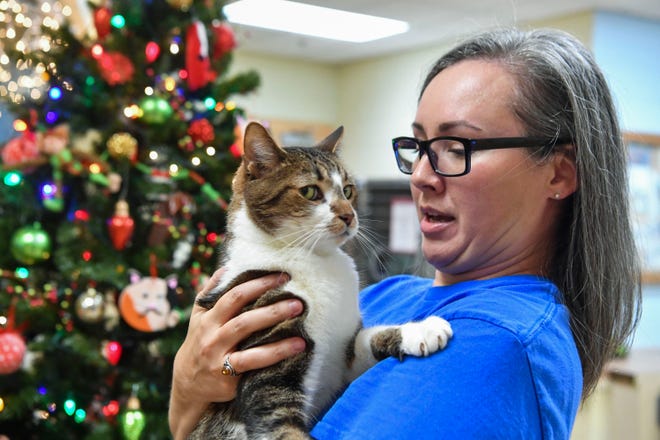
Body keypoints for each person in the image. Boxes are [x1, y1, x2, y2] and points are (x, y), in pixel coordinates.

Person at [169, 27, 641, 439]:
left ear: (558, 174)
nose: (420, 175)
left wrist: (186, 409)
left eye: (456, 147)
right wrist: (189, 390)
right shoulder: (390, 296)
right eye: (418, 146)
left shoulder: (494, 346)